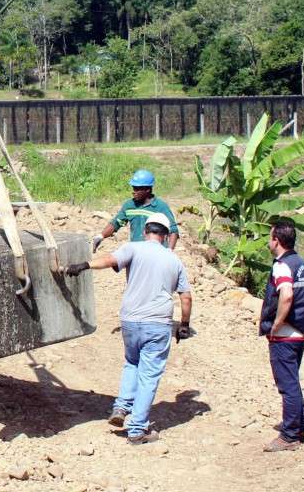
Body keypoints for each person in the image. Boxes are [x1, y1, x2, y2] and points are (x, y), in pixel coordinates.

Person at [64, 213, 193, 444]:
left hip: (130, 320)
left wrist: (85, 265)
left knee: (132, 363)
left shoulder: (133, 248)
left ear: (145, 232)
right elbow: (186, 297)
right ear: (165, 237)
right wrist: (184, 325)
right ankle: (136, 430)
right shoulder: (174, 260)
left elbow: (110, 260)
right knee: (149, 375)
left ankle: (121, 408)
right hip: (158, 323)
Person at [261, 218, 304, 452]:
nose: (268, 241)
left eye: (270, 236)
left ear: (277, 240)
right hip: (301, 333)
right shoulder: (303, 264)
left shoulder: (282, 265)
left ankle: (290, 435)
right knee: (292, 380)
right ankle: (302, 426)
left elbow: (286, 296)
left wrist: (277, 325)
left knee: (287, 385)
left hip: (285, 335)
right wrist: (303, 322)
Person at [92, 169, 179, 252]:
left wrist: (169, 251)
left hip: (156, 253)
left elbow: (173, 230)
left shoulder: (161, 207)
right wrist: (101, 236)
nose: (134, 192)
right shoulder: (129, 206)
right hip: (136, 252)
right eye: (133, 188)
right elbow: (116, 223)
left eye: (137, 189)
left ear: (147, 189)